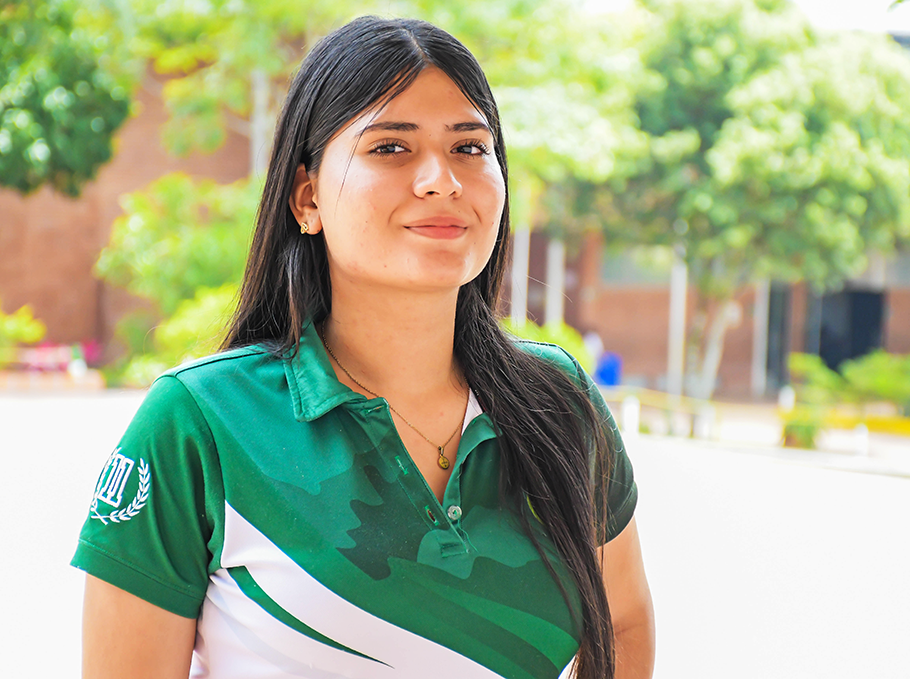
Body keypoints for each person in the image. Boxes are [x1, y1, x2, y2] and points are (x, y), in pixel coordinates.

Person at [73, 16, 654, 679]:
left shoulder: (560, 403)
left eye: (470, 147)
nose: (442, 180)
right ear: (306, 196)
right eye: (389, 148)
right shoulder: (199, 421)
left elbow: (625, 620)